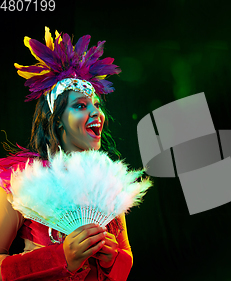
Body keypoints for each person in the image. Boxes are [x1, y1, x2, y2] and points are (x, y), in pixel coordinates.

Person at [0, 27, 133, 280]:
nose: (96, 113)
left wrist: (112, 258)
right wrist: (61, 257)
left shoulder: (108, 181)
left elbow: (126, 262)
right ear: (57, 119)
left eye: (96, 105)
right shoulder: (19, 179)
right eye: (80, 106)